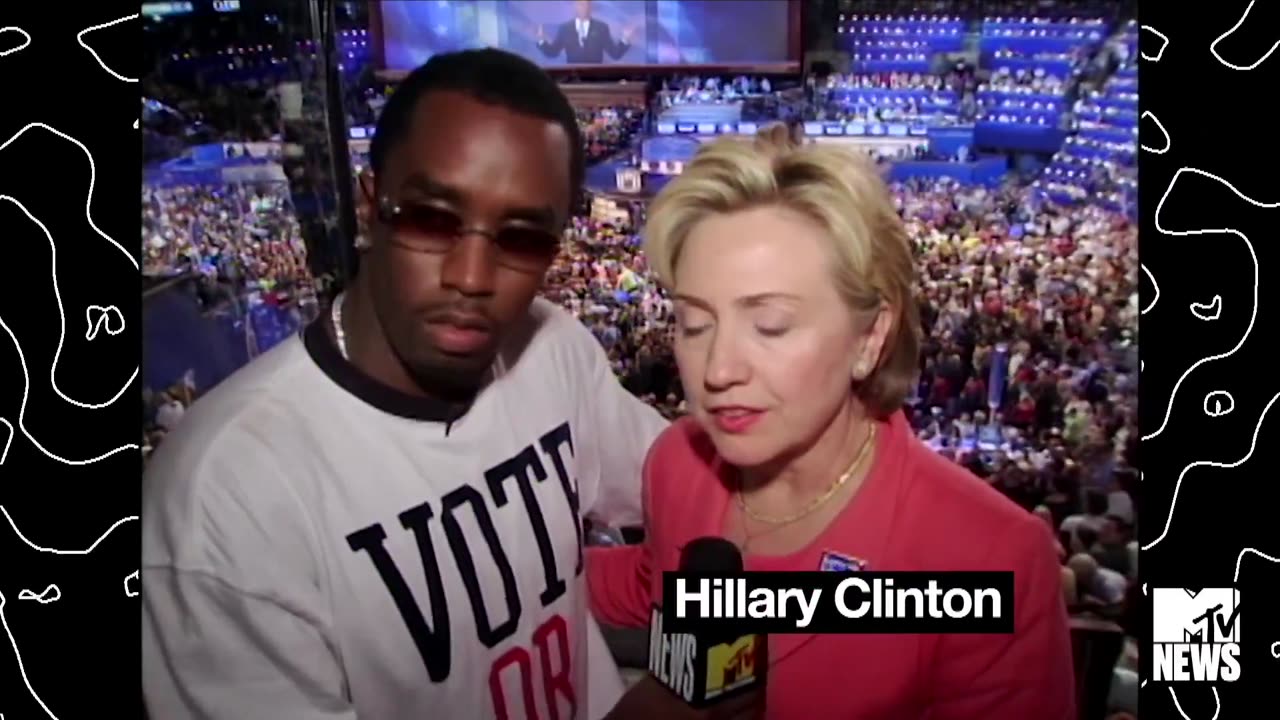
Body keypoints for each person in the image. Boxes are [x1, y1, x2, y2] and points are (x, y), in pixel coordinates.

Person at [141, 49, 669, 720]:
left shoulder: (553, 349)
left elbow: (693, 495)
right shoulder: (223, 497)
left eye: (523, 237)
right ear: (370, 207)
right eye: (431, 219)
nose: (472, 276)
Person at [587, 132, 1076, 717]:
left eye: (769, 325)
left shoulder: (992, 557)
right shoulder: (676, 465)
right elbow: (650, 585)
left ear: (869, 338)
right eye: (695, 324)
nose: (718, 370)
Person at [537, 0, 634, 65]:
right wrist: (541, 40)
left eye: (587, 4)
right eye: (580, 4)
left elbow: (615, 54)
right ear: (575, 6)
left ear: (591, 7)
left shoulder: (601, 28)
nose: (584, 7)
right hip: (572, 77)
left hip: (596, 78)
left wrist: (625, 38)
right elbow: (553, 52)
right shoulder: (565, 28)